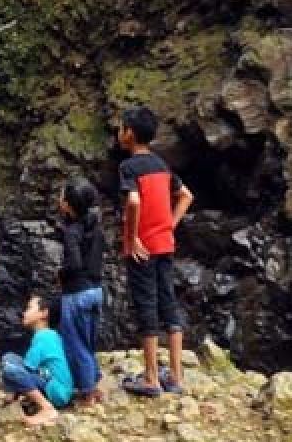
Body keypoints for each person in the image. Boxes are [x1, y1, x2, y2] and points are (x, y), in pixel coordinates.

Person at [116, 106, 194, 397]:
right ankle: (176, 376)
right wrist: (169, 225)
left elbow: (133, 201)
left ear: (129, 133)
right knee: (168, 303)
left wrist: (132, 237)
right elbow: (186, 196)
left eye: (121, 128)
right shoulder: (162, 165)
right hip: (164, 244)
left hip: (143, 249)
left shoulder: (129, 167)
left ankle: (151, 378)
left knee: (146, 307)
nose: (119, 133)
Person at [57, 178, 105, 405]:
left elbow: (74, 264)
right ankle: (94, 383)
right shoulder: (95, 226)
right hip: (96, 290)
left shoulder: (72, 231)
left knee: (76, 344)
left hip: (77, 293)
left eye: (61, 197)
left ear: (68, 205)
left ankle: (87, 392)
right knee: (89, 342)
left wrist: (61, 273)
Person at [0, 293, 73, 426]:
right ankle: (15, 397)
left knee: (10, 371)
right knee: (9, 358)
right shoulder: (50, 334)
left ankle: (47, 409)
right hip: (54, 384)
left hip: (57, 391)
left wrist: (12, 380)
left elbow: (28, 367)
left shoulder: (43, 337)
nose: (24, 313)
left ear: (44, 313)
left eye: (29, 308)